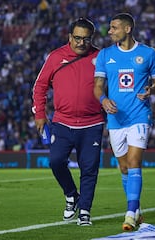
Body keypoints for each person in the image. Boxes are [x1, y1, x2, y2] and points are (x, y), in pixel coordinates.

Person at [93, 13, 155, 231]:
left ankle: (130, 213)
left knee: (134, 162)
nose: (110, 31)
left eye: (114, 27)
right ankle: (136, 208)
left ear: (127, 29)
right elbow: (97, 87)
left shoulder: (149, 54)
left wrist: (152, 90)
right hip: (115, 118)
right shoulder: (105, 55)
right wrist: (103, 100)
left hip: (139, 116)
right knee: (124, 167)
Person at [32, 17, 104, 226]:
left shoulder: (101, 57)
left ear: (92, 38)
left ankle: (85, 212)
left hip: (92, 123)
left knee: (89, 168)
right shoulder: (56, 57)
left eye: (86, 39)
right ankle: (71, 194)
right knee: (55, 161)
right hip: (62, 122)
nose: (81, 43)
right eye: (77, 38)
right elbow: (40, 87)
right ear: (69, 36)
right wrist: (39, 114)